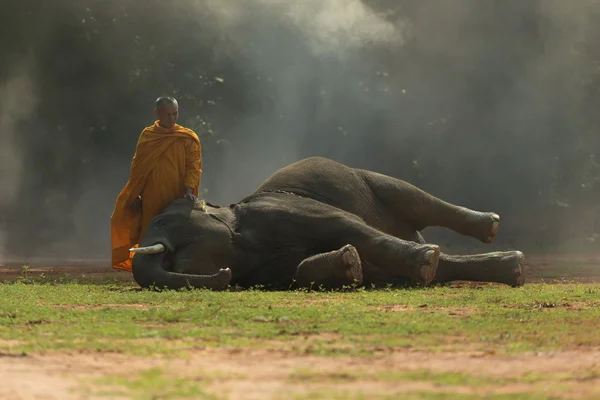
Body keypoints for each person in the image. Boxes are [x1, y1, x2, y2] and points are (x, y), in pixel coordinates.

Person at [110, 96, 202, 272]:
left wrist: (188, 190)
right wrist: (136, 194)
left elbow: (193, 167)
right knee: (149, 232)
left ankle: (176, 269)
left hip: (177, 197)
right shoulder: (148, 136)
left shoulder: (186, 137)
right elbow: (139, 168)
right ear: (157, 113)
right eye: (167, 114)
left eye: (175, 114)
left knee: (177, 232)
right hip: (152, 196)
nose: (172, 118)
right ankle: (146, 269)